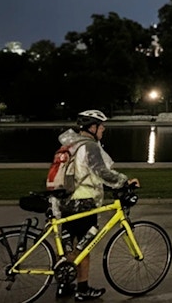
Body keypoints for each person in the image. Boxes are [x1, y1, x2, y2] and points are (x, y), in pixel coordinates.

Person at [55, 109, 139, 301]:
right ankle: (83, 289)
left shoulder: (70, 145)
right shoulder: (90, 146)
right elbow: (102, 171)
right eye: (101, 127)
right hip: (84, 202)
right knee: (85, 247)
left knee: (70, 246)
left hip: (65, 200)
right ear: (92, 127)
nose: (103, 130)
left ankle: (64, 284)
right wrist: (124, 181)